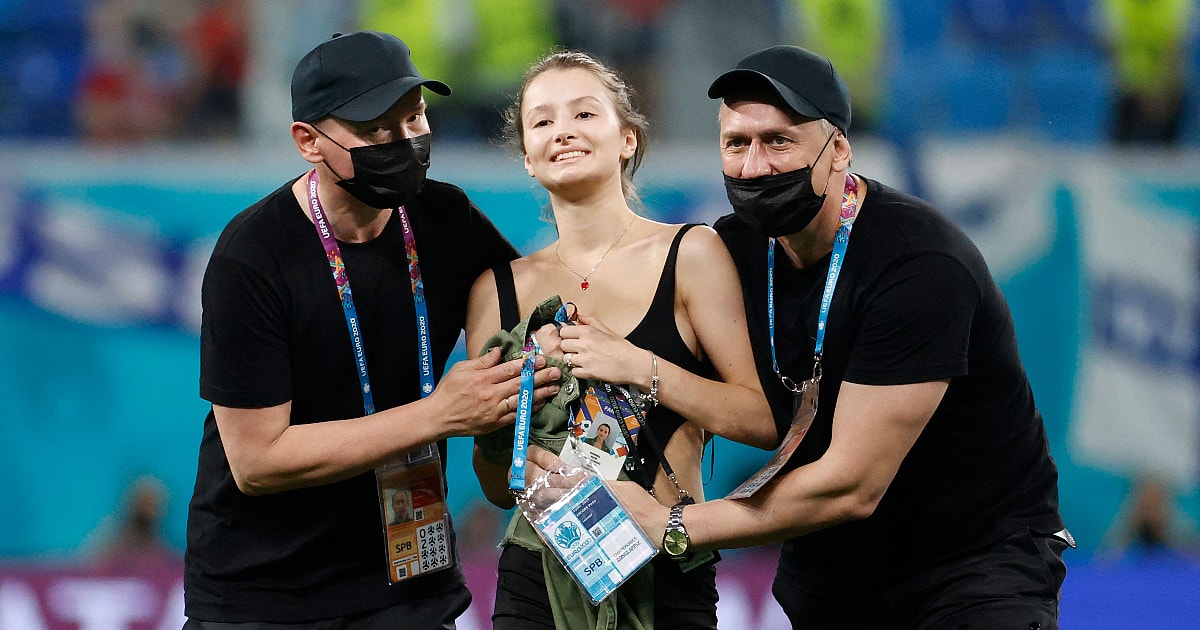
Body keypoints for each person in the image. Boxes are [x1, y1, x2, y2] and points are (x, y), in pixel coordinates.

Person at [614, 45, 1073, 629]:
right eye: (737, 144)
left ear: (839, 151)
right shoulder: (730, 251)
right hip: (833, 577)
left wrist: (672, 526)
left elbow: (853, 485)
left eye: (779, 141)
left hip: (971, 569)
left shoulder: (917, 263)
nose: (754, 167)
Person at [185, 30, 560, 629]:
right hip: (266, 598)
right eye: (376, 130)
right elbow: (257, 460)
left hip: (411, 588)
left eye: (413, 118)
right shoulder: (252, 256)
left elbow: (539, 310)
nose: (404, 142)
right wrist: (438, 415)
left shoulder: (444, 217)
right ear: (308, 141)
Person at [464, 50, 776, 630]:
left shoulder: (692, 253)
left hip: (663, 557)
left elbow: (760, 419)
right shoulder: (497, 291)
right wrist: (494, 430)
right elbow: (498, 490)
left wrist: (639, 366)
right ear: (528, 158)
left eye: (584, 114)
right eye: (542, 121)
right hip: (540, 569)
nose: (563, 131)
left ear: (627, 138)